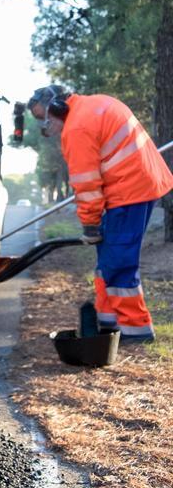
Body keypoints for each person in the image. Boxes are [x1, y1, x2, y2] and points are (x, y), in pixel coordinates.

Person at [28, 85, 173, 344]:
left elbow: (87, 185)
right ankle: (109, 323)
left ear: (57, 107)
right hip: (138, 184)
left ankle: (135, 332)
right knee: (106, 262)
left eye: (44, 116)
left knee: (118, 263)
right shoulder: (94, 104)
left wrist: (90, 226)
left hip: (130, 191)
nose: (45, 124)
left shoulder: (76, 129)